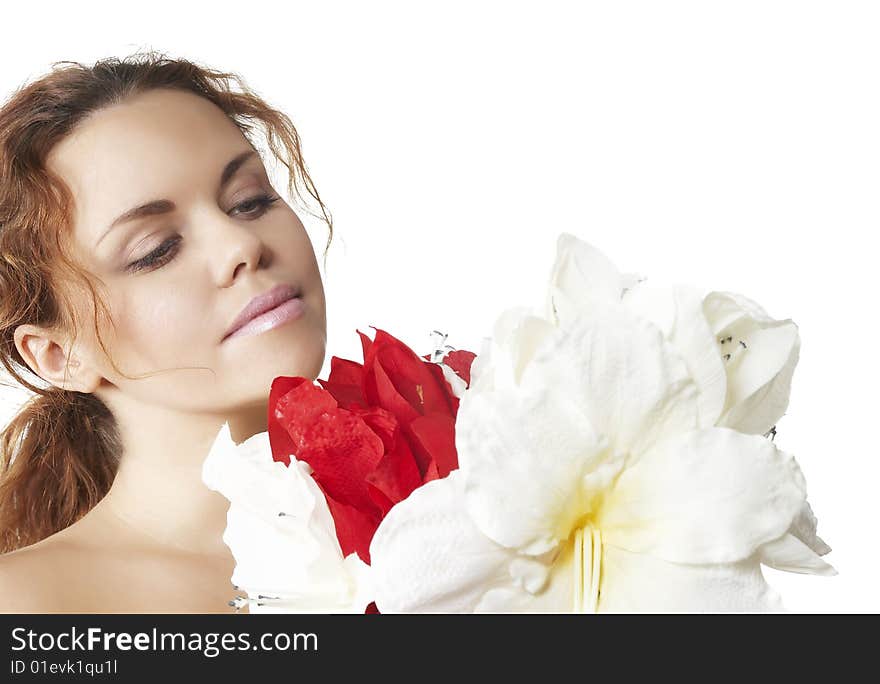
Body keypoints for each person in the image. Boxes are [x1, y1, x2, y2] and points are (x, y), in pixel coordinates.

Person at [0, 52, 332, 613]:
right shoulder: (32, 606)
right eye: (157, 251)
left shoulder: (448, 501)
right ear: (58, 355)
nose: (242, 246)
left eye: (250, 201)